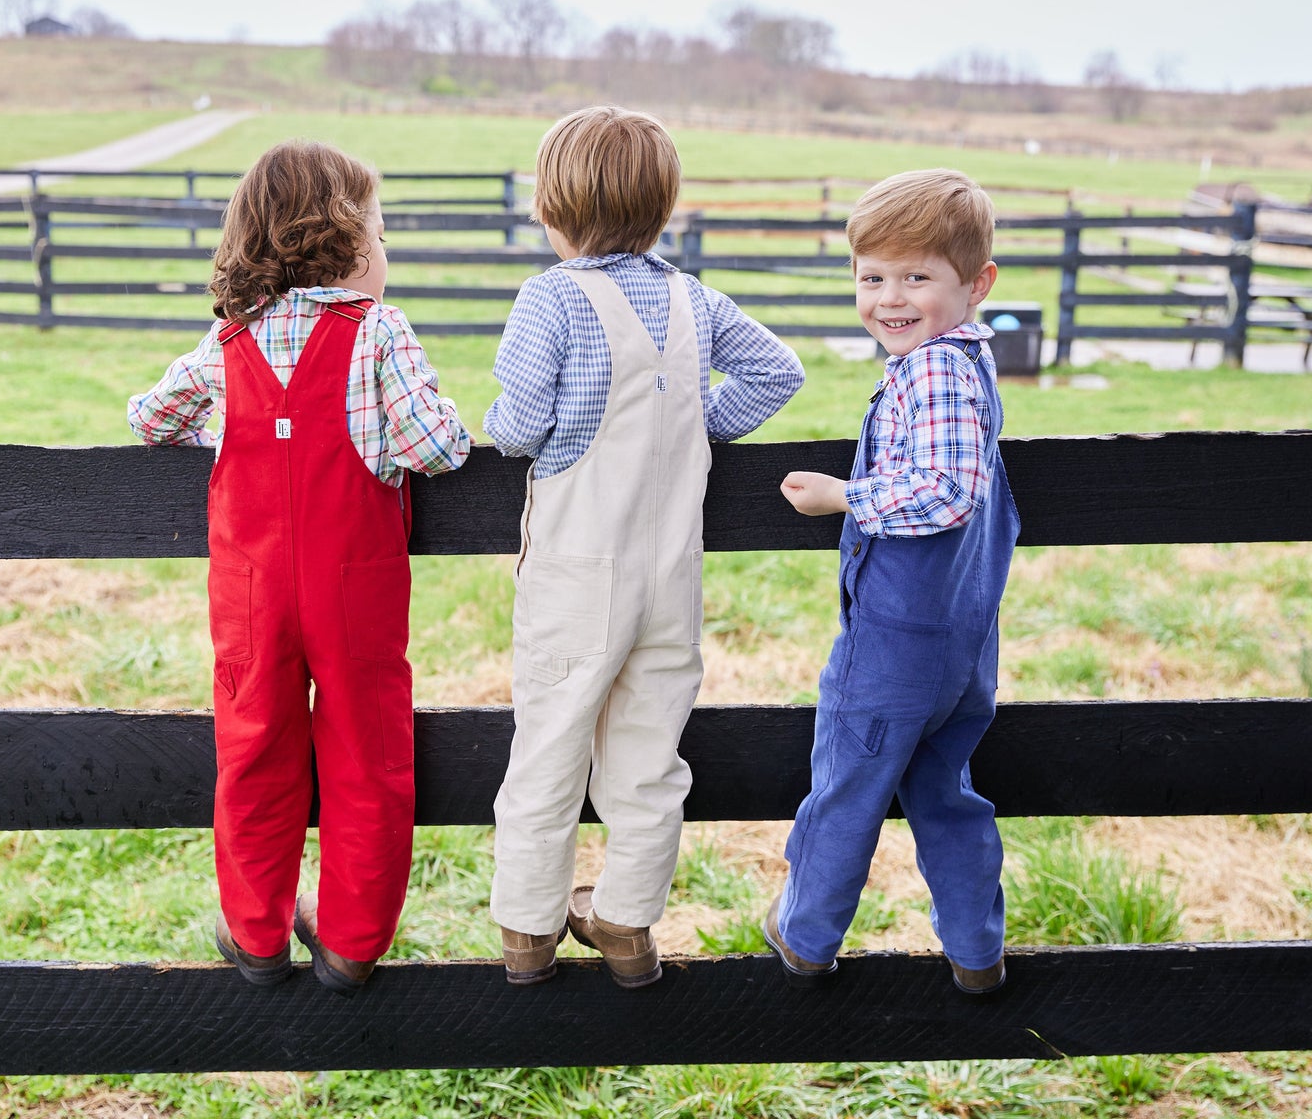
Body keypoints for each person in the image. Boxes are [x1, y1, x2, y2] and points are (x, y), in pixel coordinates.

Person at [127, 139, 471, 993]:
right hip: (354, 588)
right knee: (367, 756)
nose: (385, 254)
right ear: (347, 244)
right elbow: (439, 447)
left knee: (253, 753)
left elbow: (148, 419)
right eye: (382, 235)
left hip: (249, 594)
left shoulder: (227, 342)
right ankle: (352, 943)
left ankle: (256, 936)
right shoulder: (378, 330)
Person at [486, 106, 805, 988]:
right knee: (649, 755)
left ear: (552, 208)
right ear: (662, 207)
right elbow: (780, 371)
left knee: (549, 746)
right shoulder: (692, 298)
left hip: (576, 576)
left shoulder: (549, 298)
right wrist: (698, 427)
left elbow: (517, 428)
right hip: (673, 577)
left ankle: (527, 932)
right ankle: (626, 922)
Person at [766, 168, 1020, 994]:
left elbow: (947, 492)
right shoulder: (970, 364)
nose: (890, 298)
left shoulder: (931, 373)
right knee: (947, 797)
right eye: (872, 277)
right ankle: (977, 951)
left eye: (918, 276)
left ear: (976, 283)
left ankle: (804, 933)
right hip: (961, 642)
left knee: (847, 785)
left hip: (897, 643)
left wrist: (847, 496)